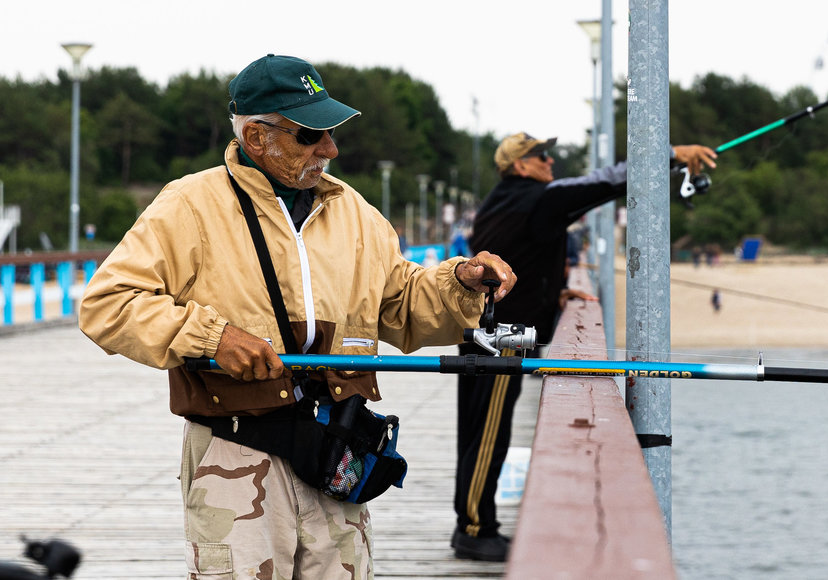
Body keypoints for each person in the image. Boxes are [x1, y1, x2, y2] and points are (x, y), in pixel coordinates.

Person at [78, 54, 516, 579]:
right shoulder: (188, 204)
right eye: (311, 134)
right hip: (234, 451)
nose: (330, 148)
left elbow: (401, 306)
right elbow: (108, 303)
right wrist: (213, 338)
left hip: (337, 450)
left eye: (330, 133)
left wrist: (460, 282)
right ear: (256, 137)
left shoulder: (355, 212)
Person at [451, 132, 717, 561]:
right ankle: (475, 530)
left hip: (490, 328)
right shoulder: (532, 197)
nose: (550, 160)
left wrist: (556, 291)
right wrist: (667, 155)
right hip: (501, 336)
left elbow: (528, 250)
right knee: (487, 434)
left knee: (479, 428)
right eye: (541, 155)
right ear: (520, 166)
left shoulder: (513, 200)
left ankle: (473, 522)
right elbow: (601, 183)